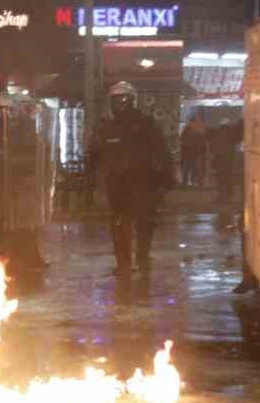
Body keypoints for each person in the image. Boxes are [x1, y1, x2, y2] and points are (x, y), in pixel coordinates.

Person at [87, 82, 173, 276]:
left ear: (133, 100)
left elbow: (161, 151)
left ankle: (141, 256)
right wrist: (90, 175)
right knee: (120, 222)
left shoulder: (146, 123)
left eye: (124, 98)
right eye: (116, 99)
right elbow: (94, 152)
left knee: (145, 221)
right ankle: (124, 262)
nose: (120, 103)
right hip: (118, 182)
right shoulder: (106, 126)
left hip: (143, 180)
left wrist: (165, 177)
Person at [180, 113, 208, 187]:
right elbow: (182, 139)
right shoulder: (188, 129)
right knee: (189, 168)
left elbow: (203, 142)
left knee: (196, 169)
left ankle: (197, 183)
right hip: (190, 152)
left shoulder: (198, 130)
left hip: (195, 153)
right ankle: (187, 183)